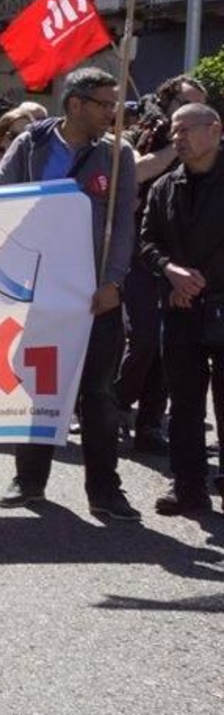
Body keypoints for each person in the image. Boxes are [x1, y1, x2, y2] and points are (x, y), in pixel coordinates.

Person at [0, 68, 140, 520]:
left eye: (115, 105)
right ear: (75, 104)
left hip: (96, 296)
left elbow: (124, 227)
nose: (112, 113)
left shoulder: (118, 156)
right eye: (104, 104)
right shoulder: (30, 146)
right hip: (41, 293)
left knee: (98, 396)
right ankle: (29, 479)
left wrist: (113, 281)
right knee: (39, 388)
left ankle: (105, 490)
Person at [137, 102, 224, 515]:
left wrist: (197, 280)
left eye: (186, 130)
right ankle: (187, 485)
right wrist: (170, 273)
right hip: (180, 309)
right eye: (174, 132)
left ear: (215, 130)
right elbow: (148, 241)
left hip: (218, 301)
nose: (178, 139)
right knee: (186, 404)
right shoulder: (164, 187)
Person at [116, 76, 209, 455]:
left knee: (171, 344)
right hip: (141, 252)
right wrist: (178, 147)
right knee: (144, 337)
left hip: (182, 256)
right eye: (187, 103)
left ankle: (151, 422)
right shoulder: (145, 134)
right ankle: (114, 403)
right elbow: (136, 172)